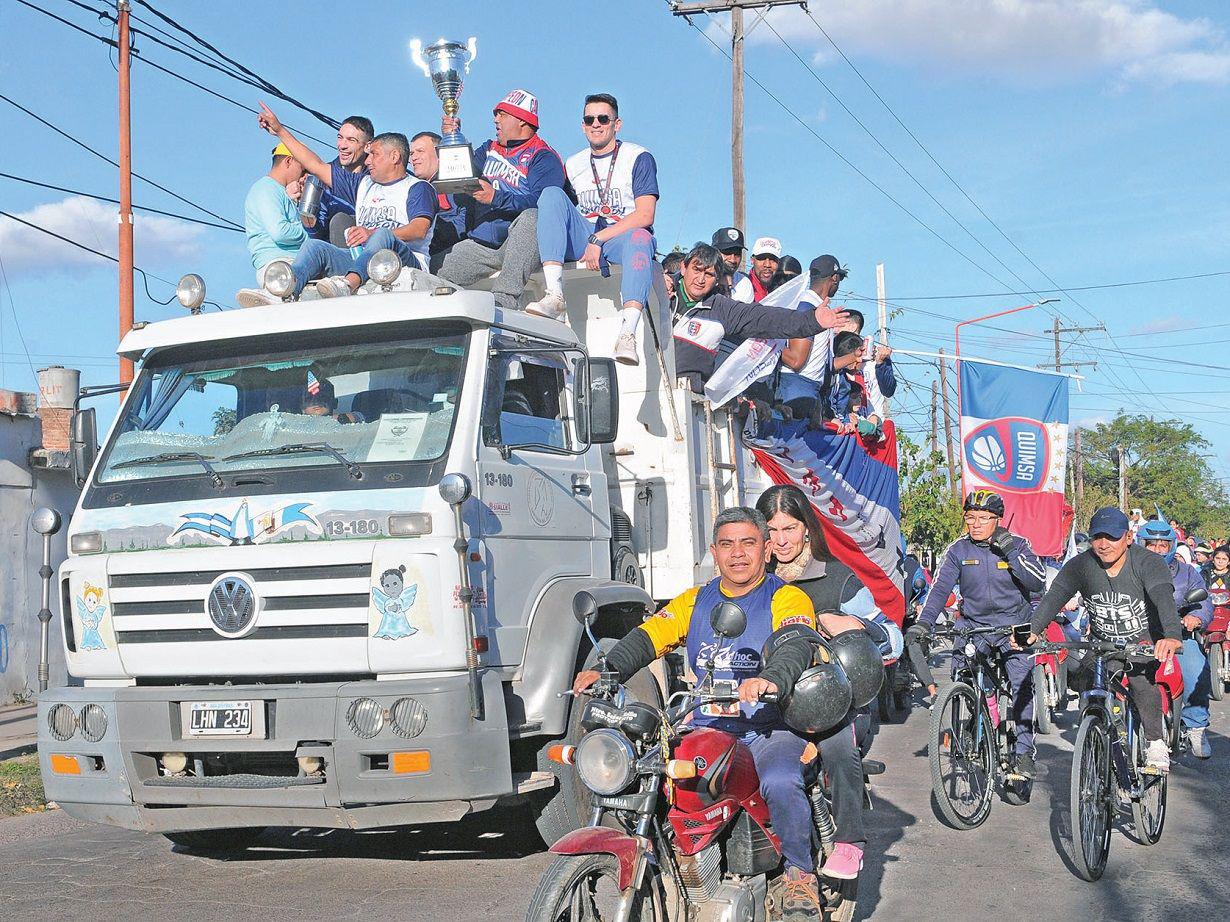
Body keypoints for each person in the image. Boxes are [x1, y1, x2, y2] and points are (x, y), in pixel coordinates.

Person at [572, 507, 827, 918]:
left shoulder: (786, 596)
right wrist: (607, 669)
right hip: (705, 724)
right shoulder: (695, 600)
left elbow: (795, 642)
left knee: (780, 781)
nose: (738, 553)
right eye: (727, 544)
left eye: (748, 543)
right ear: (714, 551)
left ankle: (799, 874)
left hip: (766, 728)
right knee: (648, 780)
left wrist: (772, 678)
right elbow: (649, 636)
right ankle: (671, 868)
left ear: (766, 550)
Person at [755, 485, 902, 883]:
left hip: (837, 705)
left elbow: (893, 638)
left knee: (837, 743)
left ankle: (850, 840)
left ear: (807, 529)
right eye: (772, 530)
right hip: (774, 702)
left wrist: (857, 626)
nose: (781, 540)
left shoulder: (837, 578)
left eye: (790, 528)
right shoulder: (756, 580)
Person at [1028, 508, 1183, 773]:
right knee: (1086, 683)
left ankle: (1155, 741)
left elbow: (1162, 596)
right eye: (1097, 537)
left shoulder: (1148, 562)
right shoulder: (1082, 564)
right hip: (1103, 643)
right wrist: (1032, 630)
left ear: (1128, 538)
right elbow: (1055, 596)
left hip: (1143, 640)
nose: (1103, 544)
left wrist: (1171, 636)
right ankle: (1102, 740)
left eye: (1111, 537)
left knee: (1141, 683)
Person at [911, 490, 1047, 782]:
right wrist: (924, 624)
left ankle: (1024, 750)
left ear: (997, 520)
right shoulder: (958, 550)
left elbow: (1037, 582)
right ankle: (983, 716)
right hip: (974, 627)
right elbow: (939, 590)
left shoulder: (1019, 545)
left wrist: (1009, 551)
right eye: (970, 518)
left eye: (984, 519)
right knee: (963, 676)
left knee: (1022, 683)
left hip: (1014, 626)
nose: (975, 524)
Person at [244, 104, 437, 302]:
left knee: (381, 235)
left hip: (401, 260)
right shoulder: (363, 184)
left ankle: (347, 285)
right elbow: (316, 165)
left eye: (374, 154)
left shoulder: (417, 187)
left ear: (394, 156)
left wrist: (371, 234)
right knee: (315, 247)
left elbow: (419, 229)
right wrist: (279, 131)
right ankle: (284, 290)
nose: (368, 160)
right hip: (361, 260)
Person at [523, 93, 659, 365]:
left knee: (642, 237)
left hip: (621, 236)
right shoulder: (573, 164)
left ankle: (628, 333)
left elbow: (645, 214)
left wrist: (599, 238)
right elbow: (562, 211)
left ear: (616, 124)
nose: (596, 124)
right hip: (585, 234)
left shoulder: (638, 156)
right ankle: (555, 296)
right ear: (583, 126)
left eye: (603, 118)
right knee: (550, 194)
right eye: (589, 119)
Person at [435, 89, 565, 312]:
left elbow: (546, 204)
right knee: (432, 274)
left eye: (503, 114)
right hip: (482, 246)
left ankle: (504, 299)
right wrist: (453, 140)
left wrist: (496, 197)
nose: (496, 119)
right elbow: (460, 175)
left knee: (532, 218)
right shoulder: (488, 149)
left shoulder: (543, 156)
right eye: (496, 114)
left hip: (521, 244)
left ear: (522, 121)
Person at [670, 244, 849, 392]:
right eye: (697, 270)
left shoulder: (722, 309)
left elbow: (765, 319)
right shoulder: (661, 292)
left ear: (717, 279)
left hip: (689, 396)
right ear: (684, 268)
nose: (701, 279)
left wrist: (812, 320)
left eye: (708, 274)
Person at [1136, 519, 1214, 759]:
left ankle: (1196, 727)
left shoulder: (1187, 572)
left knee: (1195, 671)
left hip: (1178, 637)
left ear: (1172, 546)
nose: (1158, 550)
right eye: (1152, 545)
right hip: (1138, 636)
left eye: (1163, 545)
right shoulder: (1126, 567)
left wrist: (1195, 618)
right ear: (1141, 544)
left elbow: (1204, 602)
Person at [778, 255, 848, 415]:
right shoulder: (806, 307)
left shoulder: (818, 308)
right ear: (834, 278)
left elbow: (825, 362)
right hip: (795, 386)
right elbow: (796, 360)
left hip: (809, 387)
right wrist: (767, 345)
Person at [302, 115, 373, 245]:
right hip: (337, 253)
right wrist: (308, 217)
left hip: (375, 254)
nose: (342, 146)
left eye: (351, 140)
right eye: (340, 138)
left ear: (367, 146)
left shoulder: (377, 177)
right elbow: (318, 233)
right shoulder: (323, 178)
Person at [243, 143, 307, 288]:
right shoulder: (266, 188)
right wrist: (311, 232)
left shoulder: (279, 191)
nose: (302, 174)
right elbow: (280, 232)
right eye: (301, 168)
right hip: (280, 266)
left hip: (285, 264)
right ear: (289, 161)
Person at [712, 227, 753, 301]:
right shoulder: (702, 278)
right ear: (714, 252)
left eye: (737, 254)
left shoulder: (744, 283)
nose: (733, 259)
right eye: (727, 252)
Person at [748, 237, 782, 302]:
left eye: (773, 259)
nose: (767, 264)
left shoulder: (780, 292)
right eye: (762, 258)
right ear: (752, 260)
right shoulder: (741, 287)